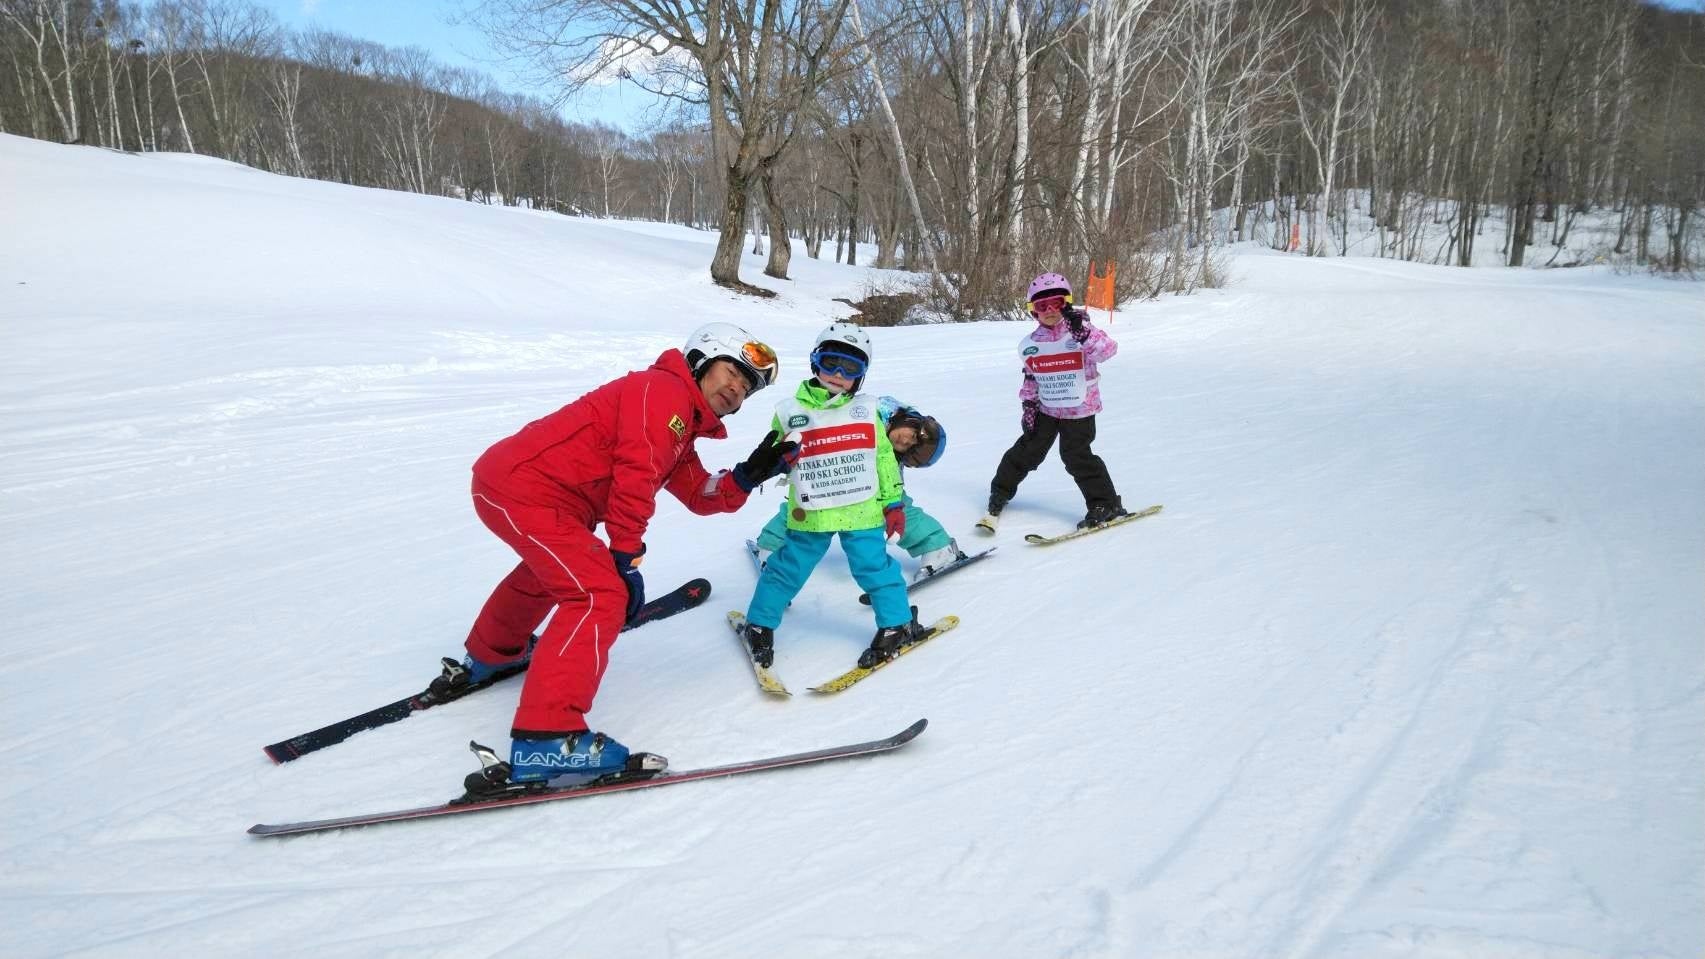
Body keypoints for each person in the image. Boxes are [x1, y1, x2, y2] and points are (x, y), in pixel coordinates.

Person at [448, 322, 798, 786]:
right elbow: (638, 473)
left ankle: (494, 654)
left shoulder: (679, 423)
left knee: (554, 573)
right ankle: (548, 738)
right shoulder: (662, 392)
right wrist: (625, 556)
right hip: (525, 490)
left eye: (747, 387)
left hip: (530, 493)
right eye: (732, 371)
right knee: (598, 593)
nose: (737, 389)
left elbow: (697, 491)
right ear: (701, 360)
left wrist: (746, 477)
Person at [741, 323, 928, 670]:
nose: (839, 375)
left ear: (861, 376)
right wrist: (769, 467)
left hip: (863, 511)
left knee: (874, 568)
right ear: (816, 363)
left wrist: (893, 503)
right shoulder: (789, 411)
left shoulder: (868, 409)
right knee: (786, 569)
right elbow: (774, 454)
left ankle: (897, 623)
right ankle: (760, 621)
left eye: (850, 368)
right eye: (831, 363)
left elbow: (884, 459)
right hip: (812, 513)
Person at [751, 398, 964, 582]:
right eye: (914, 436)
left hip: (866, 481)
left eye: (909, 450)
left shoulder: (890, 452)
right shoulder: (874, 410)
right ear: (913, 421)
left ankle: (938, 548)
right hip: (829, 469)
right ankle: (771, 544)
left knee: (897, 507)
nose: (906, 441)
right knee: (804, 504)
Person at [979, 272, 1127, 532]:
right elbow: (1031, 377)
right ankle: (1000, 492)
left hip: (1079, 409)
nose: (1049, 310)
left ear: (1066, 303)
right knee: (1027, 450)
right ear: (1033, 311)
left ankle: (1105, 504)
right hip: (1046, 408)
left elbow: (1108, 351)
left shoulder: (1081, 331)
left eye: (1056, 303)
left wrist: (1084, 333)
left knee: (1076, 456)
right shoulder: (1032, 343)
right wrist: (1029, 406)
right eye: (1041, 306)